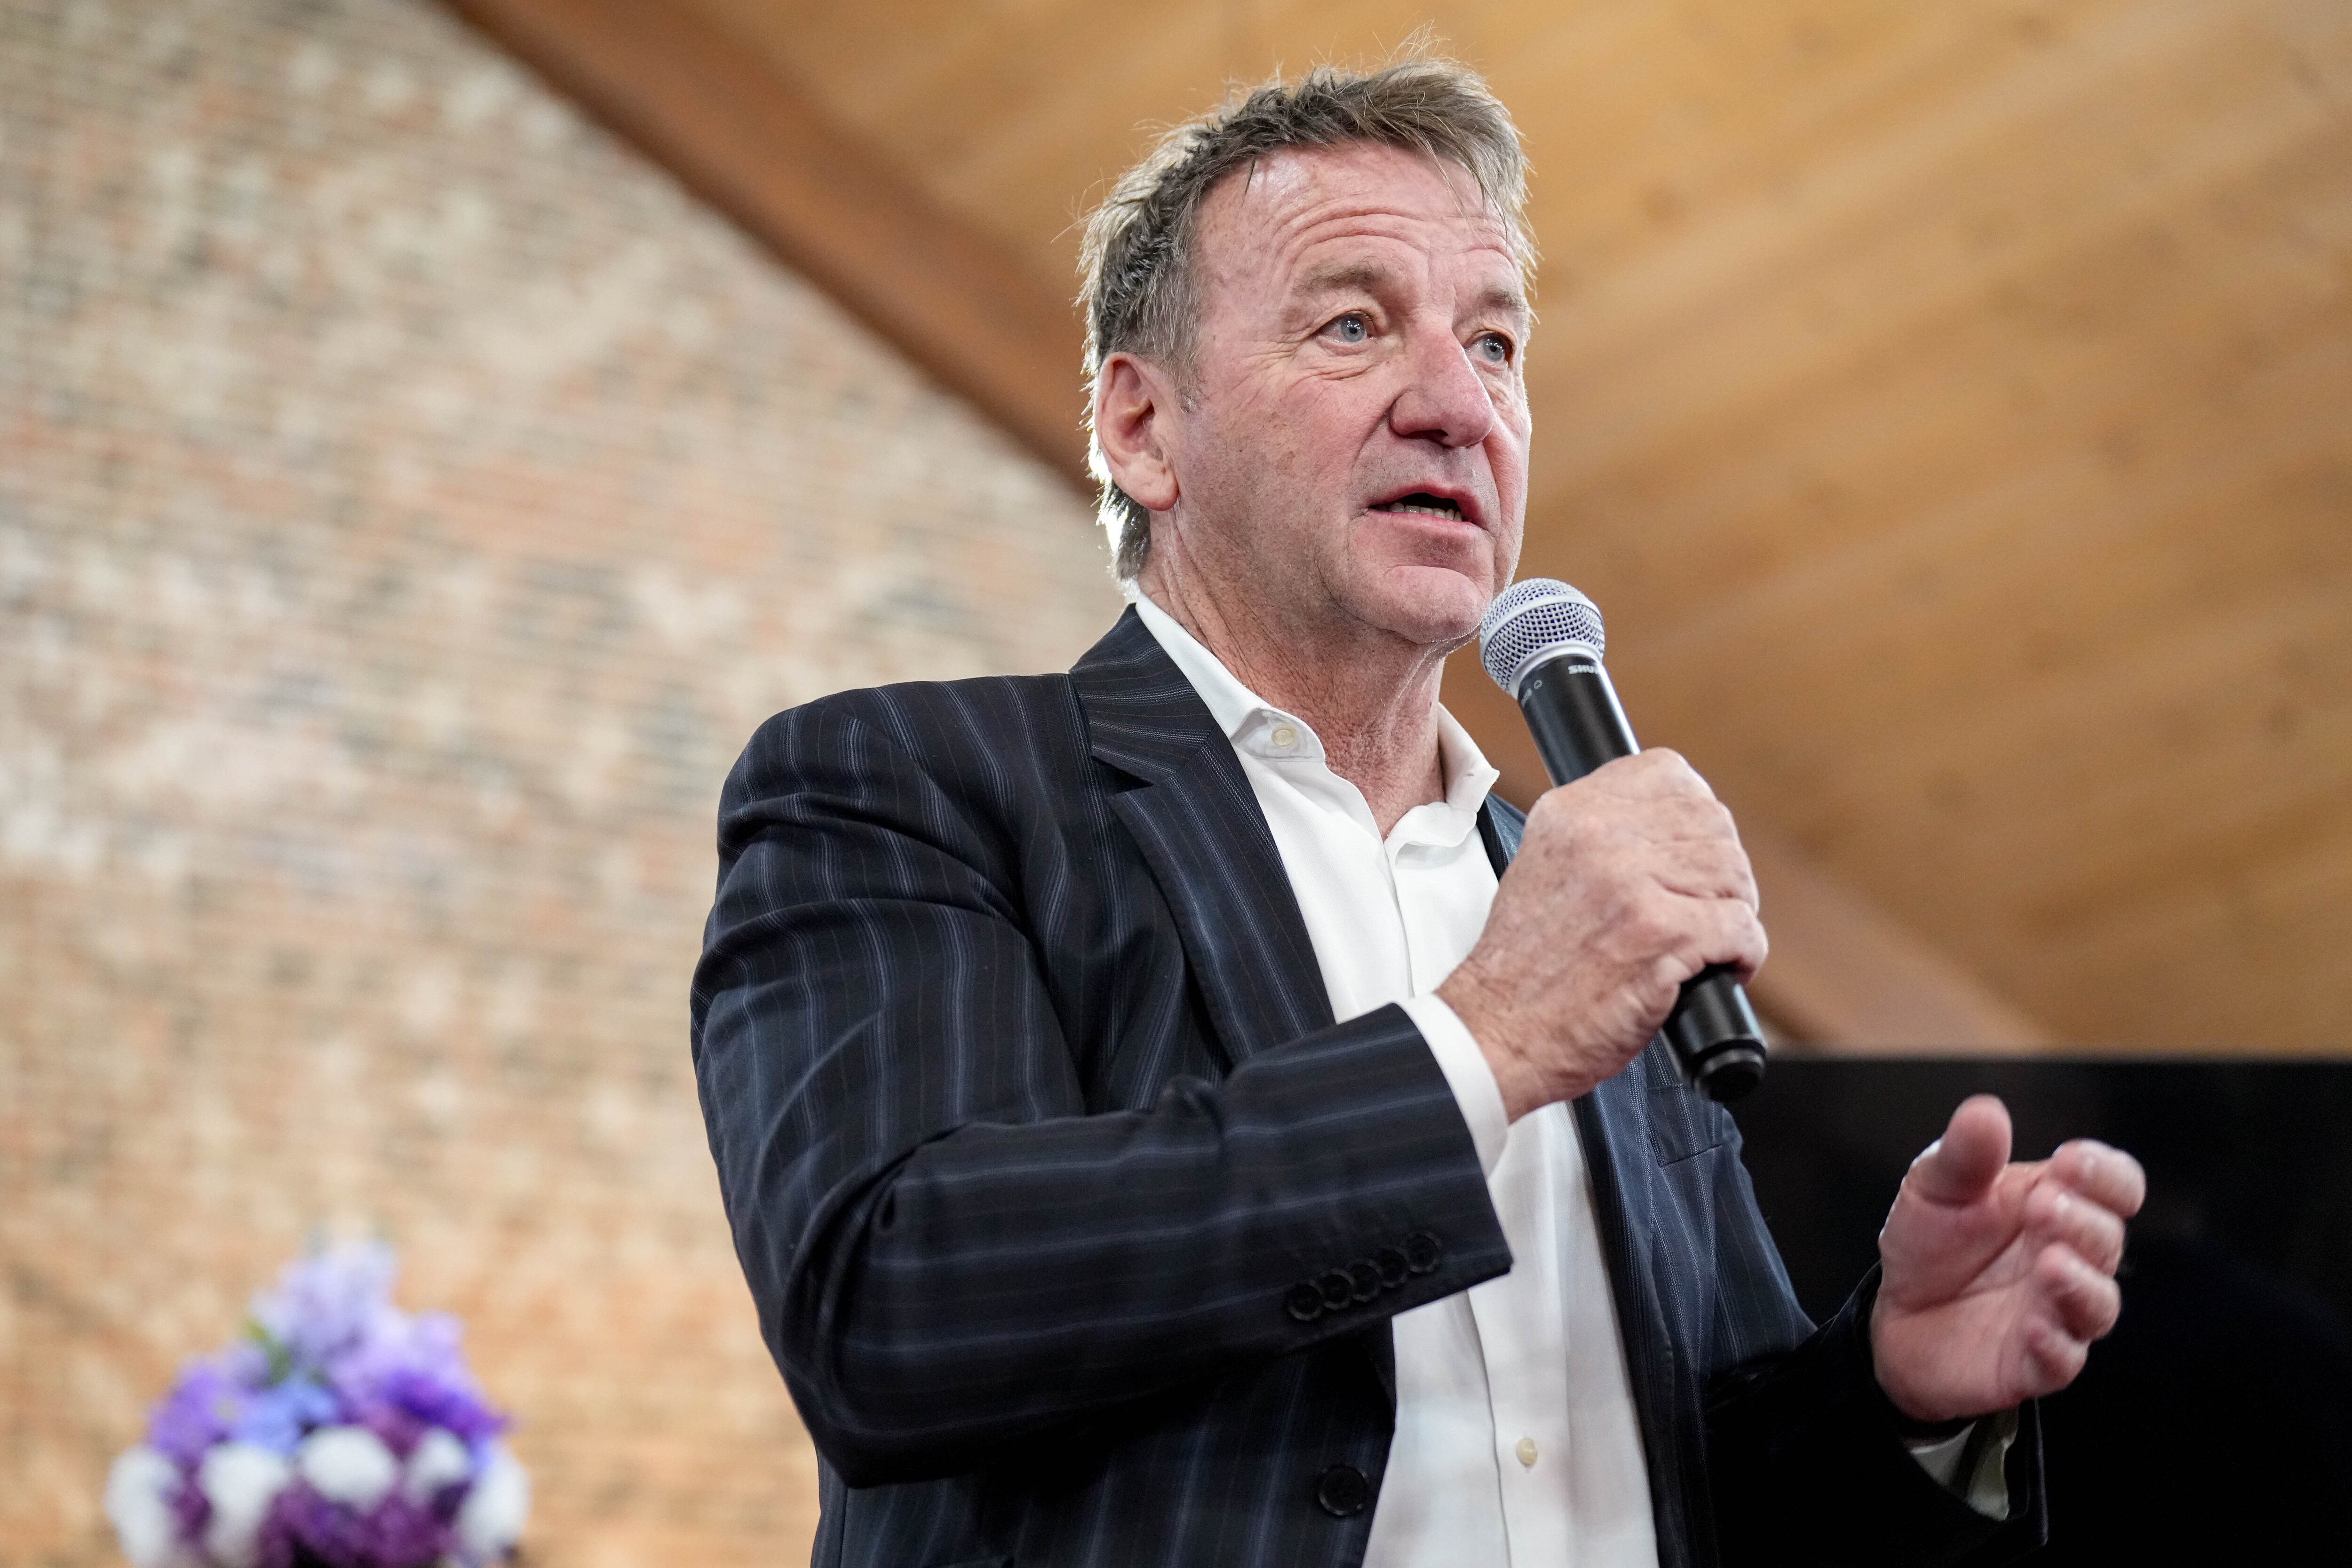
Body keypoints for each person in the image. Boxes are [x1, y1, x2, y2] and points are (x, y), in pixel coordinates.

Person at [690, 55, 2144, 1568]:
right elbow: (892, 1307)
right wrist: (1484, 1046)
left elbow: (1693, 1480)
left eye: (1499, 344)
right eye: (1352, 323)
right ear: (1142, 427)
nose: (1458, 405)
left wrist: (1892, 1385)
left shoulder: (1579, 894)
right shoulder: (917, 788)